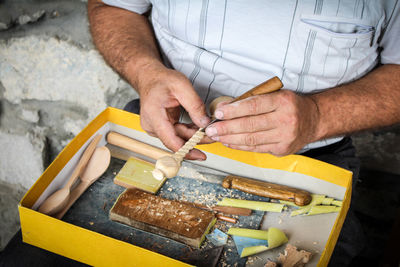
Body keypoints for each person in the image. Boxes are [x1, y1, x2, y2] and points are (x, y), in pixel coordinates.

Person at [86, 0, 400, 266]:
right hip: (165, 127)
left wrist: (318, 116)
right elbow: (110, 5)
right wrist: (145, 71)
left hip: (309, 151)